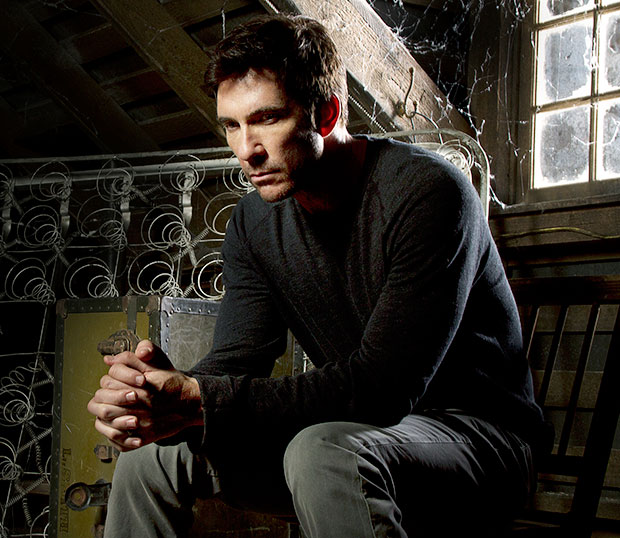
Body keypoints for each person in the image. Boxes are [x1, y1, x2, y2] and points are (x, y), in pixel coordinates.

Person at [87, 14, 550, 537]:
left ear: (327, 114)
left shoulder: (429, 194)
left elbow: (383, 389)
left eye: (267, 119)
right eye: (232, 126)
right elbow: (238, 359)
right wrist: (160, 398)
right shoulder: (255, 221)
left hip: (480, 441)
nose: (246, 149)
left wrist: (199, 399)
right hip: (352, 436)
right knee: (151, 456)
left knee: (323, 452)